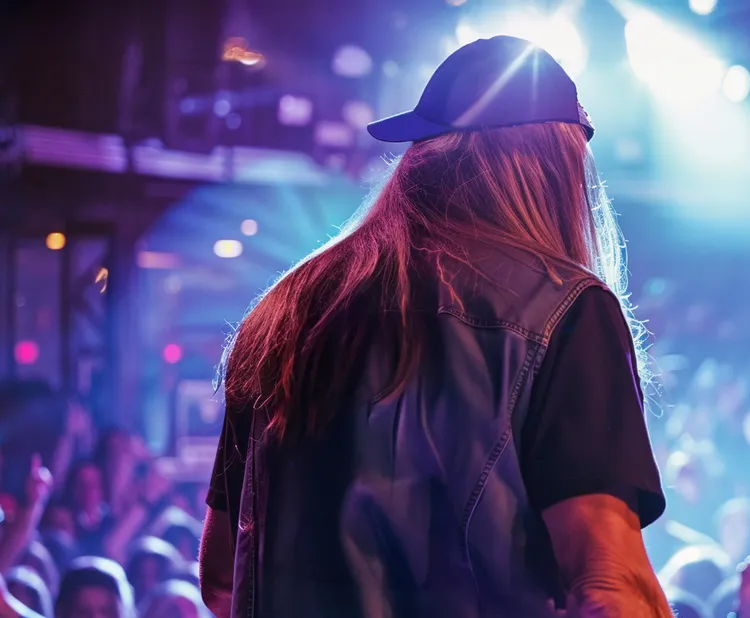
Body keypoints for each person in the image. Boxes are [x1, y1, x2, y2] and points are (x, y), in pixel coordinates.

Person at [199, 36, 671, 618]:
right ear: (557, 166)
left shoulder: (282, 312)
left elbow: (223, 579)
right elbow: (610, 588)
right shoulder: (566, 311)